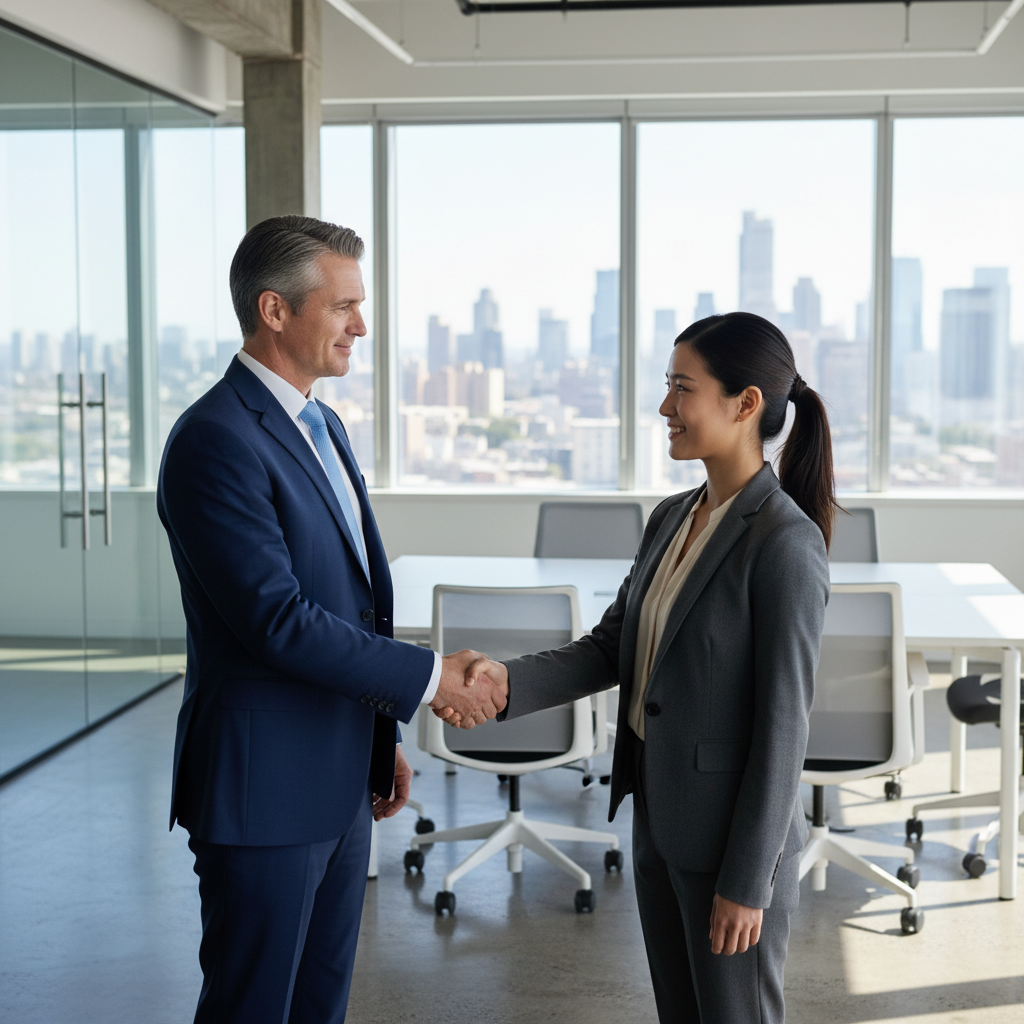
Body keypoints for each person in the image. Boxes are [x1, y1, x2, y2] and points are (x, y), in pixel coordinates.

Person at [157, 216, 506, 1024]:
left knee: (320, 1006)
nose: (362, 324)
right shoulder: (216, 440)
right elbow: (276, 619)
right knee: (254, 1008)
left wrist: (379, 737)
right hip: (264, 790)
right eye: (343, 305)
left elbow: (351, 601)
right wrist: (427, 679)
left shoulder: (320, 424)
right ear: (275, 311)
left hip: (339, 777)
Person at [456, 312, 834, 1023]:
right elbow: (612, 646)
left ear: (745, 403)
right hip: (662, 821)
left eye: (682, 389)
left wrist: (749, 881)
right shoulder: (673, 516)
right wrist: (505, 683)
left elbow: (784, 728)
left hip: (731, 846)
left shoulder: (784, 543)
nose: (666, 407)